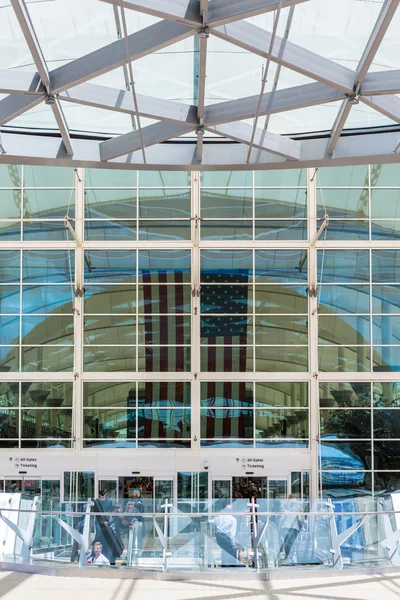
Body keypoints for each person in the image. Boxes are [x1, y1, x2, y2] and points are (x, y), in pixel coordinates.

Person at [280, 493, 303, 562]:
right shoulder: (296, 507)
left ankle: (287, 556)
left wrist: (280, 527)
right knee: (292, 543)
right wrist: (301, 527)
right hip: (294, 528)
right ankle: (290, 557)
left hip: (285, 527)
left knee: (286, 542)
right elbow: (299, 519)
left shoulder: (285, 508)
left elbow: (281, 519)